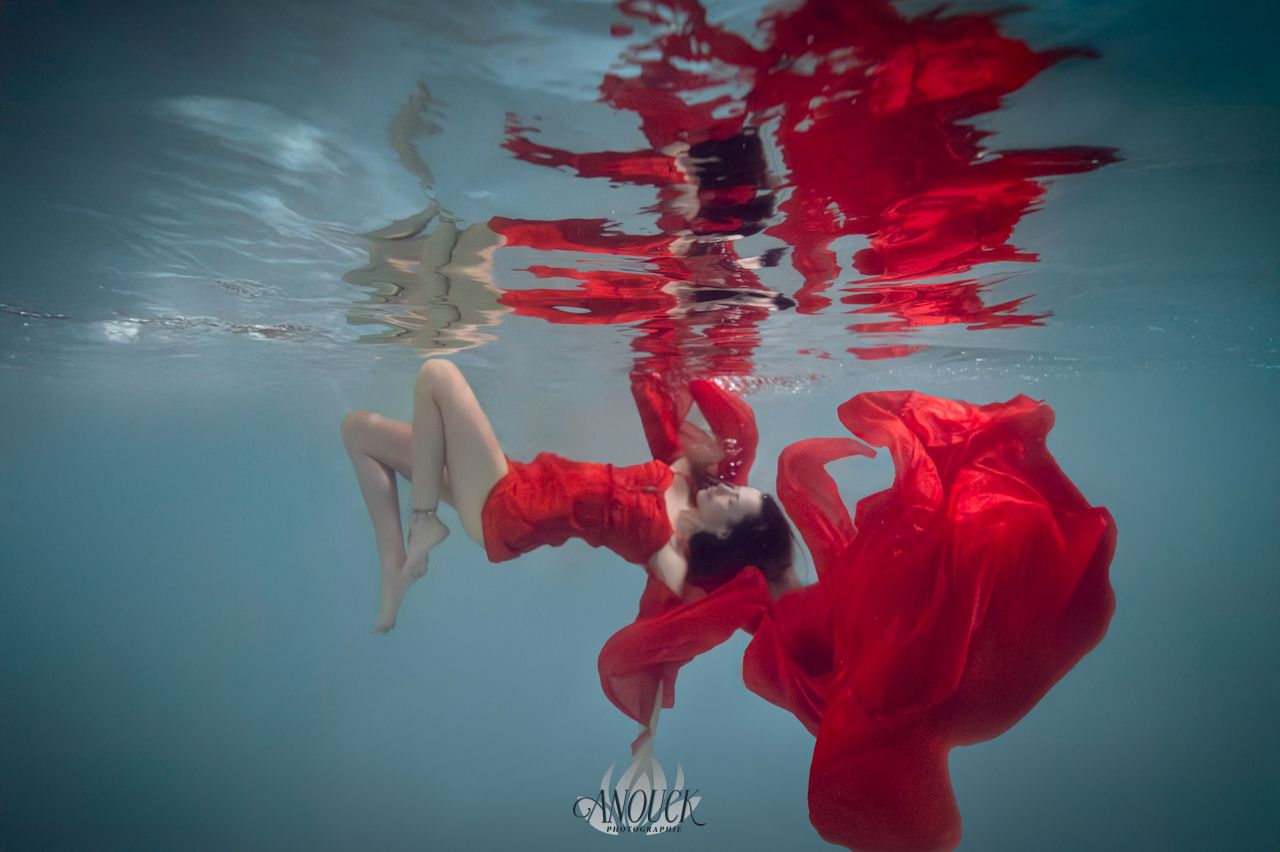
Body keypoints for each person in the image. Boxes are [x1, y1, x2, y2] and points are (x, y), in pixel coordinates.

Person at [341, 359, 797, 633]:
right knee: (358, 431)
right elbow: (652, 391)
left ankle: (423, 522)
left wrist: (648, 728)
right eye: (741, 490)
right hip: (515, 477)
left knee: (438, 376)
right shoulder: (684, 475)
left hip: (505, 507)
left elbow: (686, 625)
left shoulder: (668, 556)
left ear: (725, 532)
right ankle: (393, 570)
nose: (730, 489)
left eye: (736, 502)